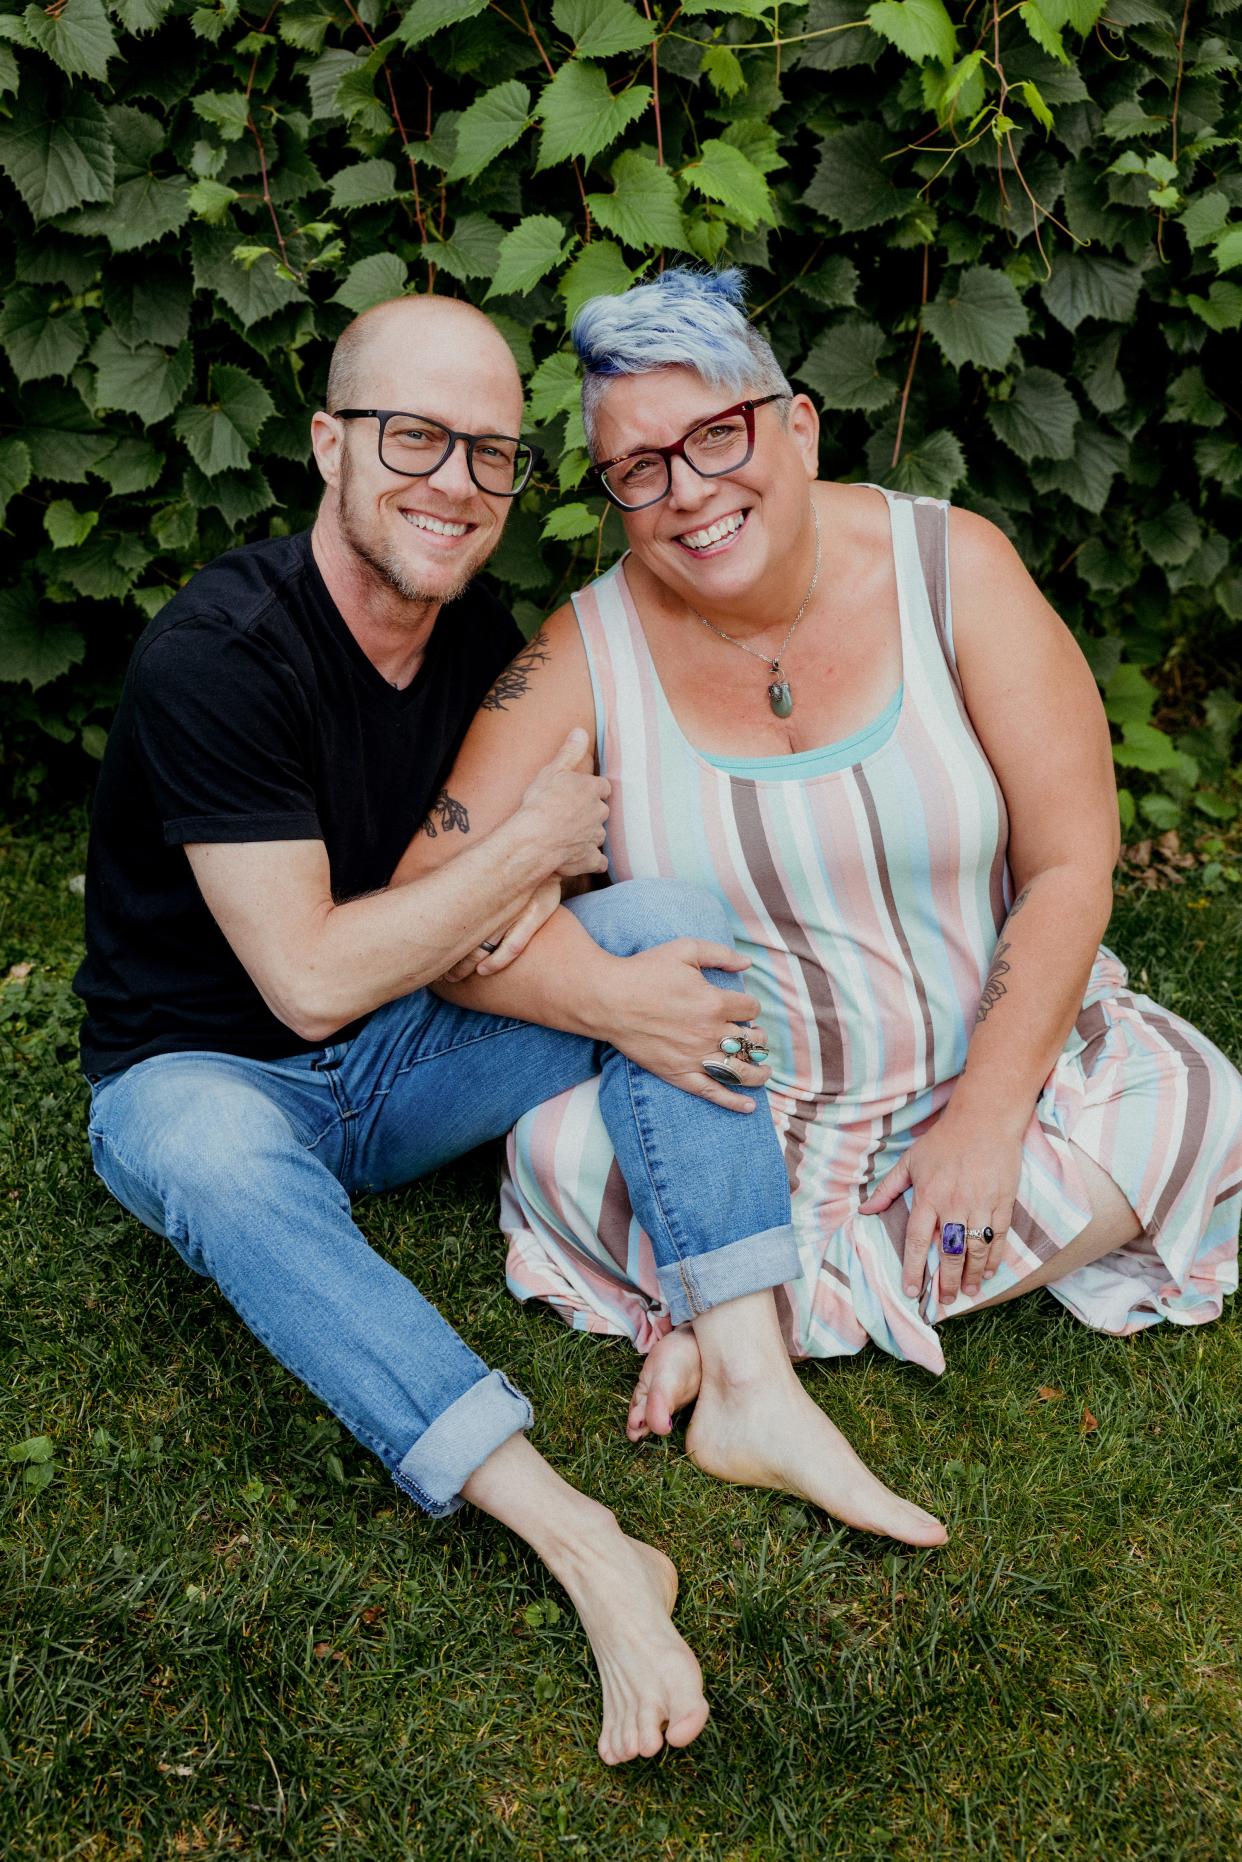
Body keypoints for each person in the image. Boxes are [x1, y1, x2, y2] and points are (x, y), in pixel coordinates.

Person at [75, 293, 947, 1770]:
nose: (453, 483)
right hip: (211, 1070)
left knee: (662, 911)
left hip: (408, 1050)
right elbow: (304, 979)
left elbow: (516, 914)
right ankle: (584, 1536)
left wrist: (579, 957)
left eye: (489, 452)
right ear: (327, 446)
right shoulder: (217, 653)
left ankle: (748, 1378)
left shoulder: (481, 641)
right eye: (413, 438)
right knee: (209, 1152)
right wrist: (519, 852)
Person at [403, 267, 1241, 1447]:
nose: (688, 494)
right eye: (641, 469)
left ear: (796, 425)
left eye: (716, 435)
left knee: (1199, 1107)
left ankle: (743, 1310)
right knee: (556, 1153)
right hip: (746, 1117)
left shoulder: (956, 567)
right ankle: (788, 1273)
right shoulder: (584, 652)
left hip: (1007, 1065)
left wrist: (989, 1115)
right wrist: (601, 993)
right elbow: (423, 912)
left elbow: (1071, 864)